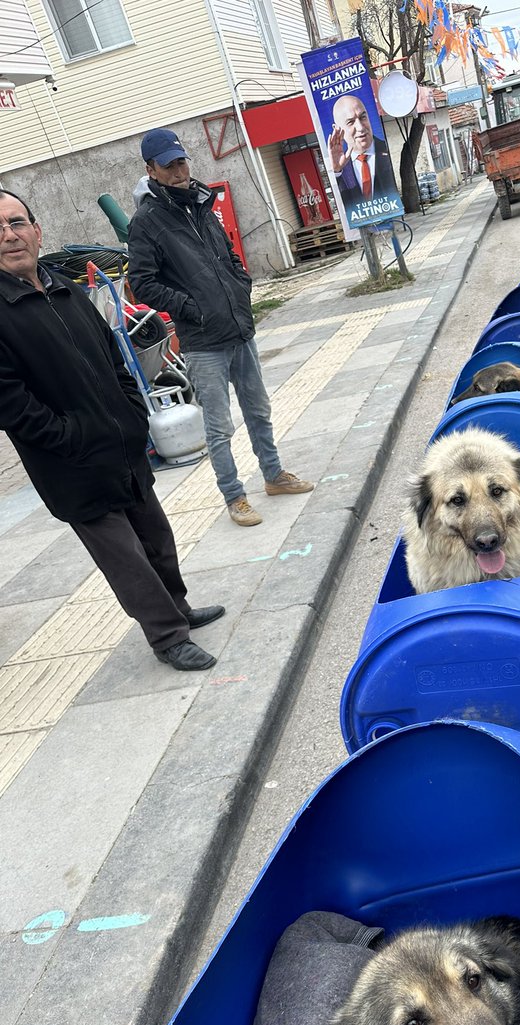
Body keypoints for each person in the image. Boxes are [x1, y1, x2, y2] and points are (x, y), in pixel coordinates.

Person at [0, 189, 223, 671]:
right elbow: (10, 402)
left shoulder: (64, 287)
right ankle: (167, 636)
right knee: (128, 560)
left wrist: (131, 412)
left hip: (122, 444)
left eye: (17, 223)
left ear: (37, 232)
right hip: (72, 465)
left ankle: (179, 608)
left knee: (157, 539)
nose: (9, 235)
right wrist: (70, 438)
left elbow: (114, 356)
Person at [127, 129, 314, 527]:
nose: (178, 171)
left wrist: (240, 283)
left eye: (181, 162)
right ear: (151, 169)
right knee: (219, 426)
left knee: (259, 410)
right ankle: (234, 496)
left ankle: (274, 475)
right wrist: (189, 308)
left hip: (238, 330)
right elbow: (142, 283)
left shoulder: (199, 202)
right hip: (202, 341)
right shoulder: (146, 221)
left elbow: (227, 252)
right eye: (168, 166)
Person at [328, 96, 395, 209]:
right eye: (350, 122)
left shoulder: (388, 150)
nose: (360, 127)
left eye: (363, 117)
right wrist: (337, 172)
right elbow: (340, 206)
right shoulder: (341, 168)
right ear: (337, 128)